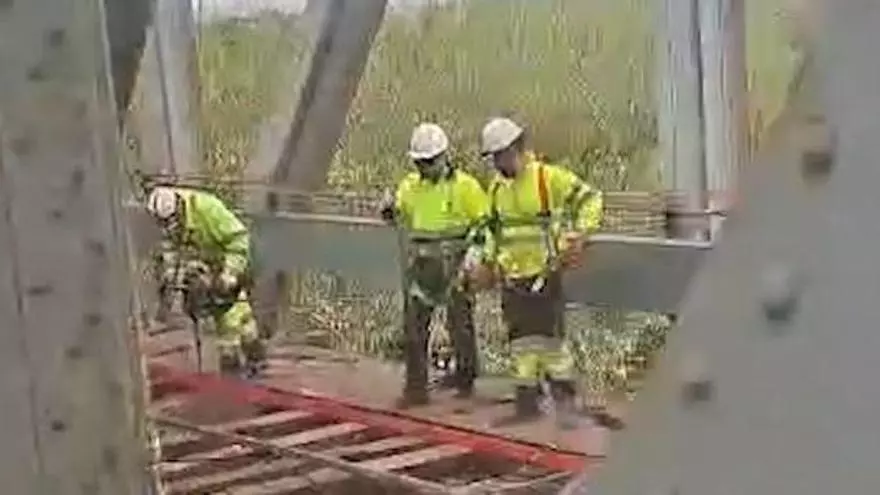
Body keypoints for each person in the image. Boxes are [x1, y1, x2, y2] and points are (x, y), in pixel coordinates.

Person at [469, 117, 604, 421]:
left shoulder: (547, 178)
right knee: (520, 345)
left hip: (545, 274)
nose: (498, 164)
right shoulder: (497, 189)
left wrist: (580, 234)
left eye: (501, 156)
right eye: (493, 158)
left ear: (516, 148)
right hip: (513, 279)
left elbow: (590, 198)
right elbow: (493, 230)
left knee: (551, 344)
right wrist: (487, 262)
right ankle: (527, 405)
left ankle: (565, 405)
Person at [379, 122, 490, 408]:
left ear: (443, 156)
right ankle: (415, 389)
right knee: (414, 328)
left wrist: (476, 253)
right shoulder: (409, 186)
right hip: (422, 264)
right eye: (420, 163)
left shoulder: (465, 187)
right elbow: (400, 215)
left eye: (429, 162)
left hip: (456, 263)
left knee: (460, 323)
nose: (425, 168)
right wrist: (389, 211)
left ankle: (465, 376)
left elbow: (484, 221)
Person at [146, 185, 267, 376]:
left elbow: (239, 238)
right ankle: (255, 355)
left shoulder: (208, 209)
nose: (169, 227)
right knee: (240, 315)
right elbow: (172, 250)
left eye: (171, 221)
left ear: (179, 208)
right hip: (208, 263)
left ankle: (232, 363)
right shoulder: (171, 223)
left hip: (234, 257)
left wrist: (230, 272)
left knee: (228, 312)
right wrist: (173, 275)